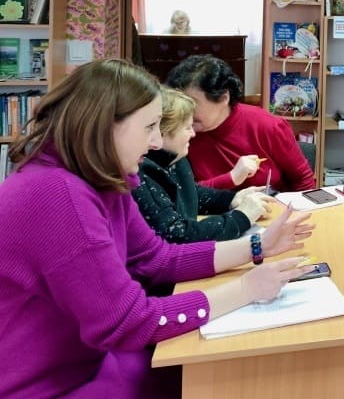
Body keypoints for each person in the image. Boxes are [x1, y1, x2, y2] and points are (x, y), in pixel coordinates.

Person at [0, 59, 315, 399]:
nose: (155, 142)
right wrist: (246, 289)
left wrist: (257, 247)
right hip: (48, 385)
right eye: (149, 127)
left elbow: (156, 258)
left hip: (89, 362)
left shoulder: (102, 175)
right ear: (105, 124)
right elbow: (129, 321)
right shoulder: (58, 196)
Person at [134, 87, 275, 243]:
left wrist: (231, 199)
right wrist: (241, 217)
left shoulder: (175, 158)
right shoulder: (142, 172)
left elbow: (191, 193)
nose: (193, 133)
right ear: (163, 133)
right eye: (187, 128)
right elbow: (177, 234)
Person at [166, 55, 315, 192]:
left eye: (192, 103)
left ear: (224, 98)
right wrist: (232, 178)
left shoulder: (267, 126)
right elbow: (182, 194)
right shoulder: (176, 132)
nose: (184, 112)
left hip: (271, 209)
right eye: (180, 103)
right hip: (211, 212)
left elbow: (303, 180)